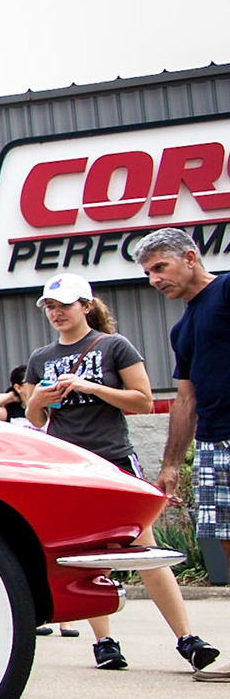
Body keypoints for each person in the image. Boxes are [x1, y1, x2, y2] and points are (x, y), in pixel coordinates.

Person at [23, 270, 218, 672]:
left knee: (142, 547)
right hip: (67, 466)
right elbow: (34, 418)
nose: (57, 313)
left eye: (64, 305)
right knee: (84, 554)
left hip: (112, 460)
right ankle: (104, 642)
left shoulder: (114, 346)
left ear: (86, 306)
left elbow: (143, 401)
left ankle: (187, 639)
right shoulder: (40, 358)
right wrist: (39, 397)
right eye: (51, 307)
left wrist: (92, 388)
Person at [138, 227, 229, 618]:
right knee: (225, 540)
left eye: (160, 266)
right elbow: (185, 398)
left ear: (190, 258)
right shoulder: (182, 328)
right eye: (148, 273)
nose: (155, 279)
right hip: (211, 442)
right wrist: (172, 463)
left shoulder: (227, 291)